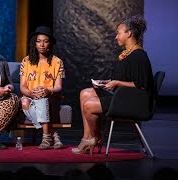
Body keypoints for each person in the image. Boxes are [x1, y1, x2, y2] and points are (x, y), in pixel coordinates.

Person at [72, 15, 154, 154]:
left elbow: (142, 86)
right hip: (122, 96)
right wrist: (108, 82)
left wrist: (116, 82)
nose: (116, 37)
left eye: (118, 33)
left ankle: (95, 137)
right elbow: (126, 78)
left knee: (89, 105)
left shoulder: (139, 56)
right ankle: (88, 137)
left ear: (129, 33)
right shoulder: (128, 54)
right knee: (85, 93)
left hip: (132, 102)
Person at [20, 26, 65, 150]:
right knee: (24, 101)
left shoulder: (57, 62)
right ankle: (53, 134)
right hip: (31, 97)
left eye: (45, 41)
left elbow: (58, 87)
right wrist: (31, 93)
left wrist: (47, 90)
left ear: (50, 43)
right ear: (34, 43)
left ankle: (45, 137)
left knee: (42, 98)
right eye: (39, 41)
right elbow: (23, 87)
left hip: (50, 97)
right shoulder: (26, 61)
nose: (42, 44)